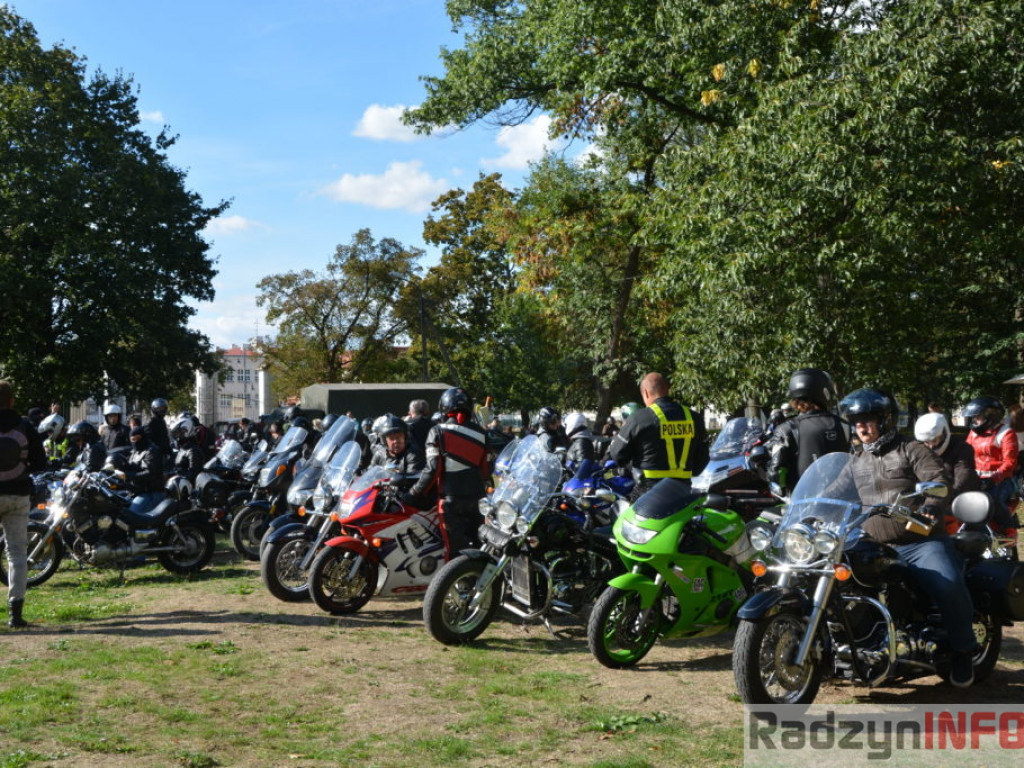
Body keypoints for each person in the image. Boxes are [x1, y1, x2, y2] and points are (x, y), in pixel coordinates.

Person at [839, 388, 977, 688]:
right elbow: (833, 492)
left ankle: (964, 651)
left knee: (947, 583)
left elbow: (937, 479)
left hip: (919, 541)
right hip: (873, 543)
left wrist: (930, 505)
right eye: (857, 421)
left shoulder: (911, 449)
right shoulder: (855, 461)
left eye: (869, 420)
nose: (862, 427)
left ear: (886, 420)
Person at [405, 387, 490, 553]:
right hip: (478, 500)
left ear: (443, 407)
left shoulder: (437, 431)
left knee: (455, 552)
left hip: (451, 501)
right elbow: (486, 471)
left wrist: (413, 494)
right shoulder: (482, 434)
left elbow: (432, 469)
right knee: (480, 548)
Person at [608, 372, 710, 495]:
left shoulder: (639, 418)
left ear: (645, 393)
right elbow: (702, 460)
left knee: (623, 513)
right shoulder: (694, 418)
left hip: (649, 492)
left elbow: (618, 454)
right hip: (683, 492)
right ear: (667, 389)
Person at [0, 381, 47, 628]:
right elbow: (40, 464)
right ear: (12, 400)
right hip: (18, 495)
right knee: (17, 553)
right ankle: (15, 613)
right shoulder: (26, 425)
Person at [766, 368, 849, 495]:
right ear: (824, 391)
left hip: (805, 505)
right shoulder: (844, 425)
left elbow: (775, 472)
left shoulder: (787, 428)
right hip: (845, 502)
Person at [914, 412, 981, 534]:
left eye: (934, 440)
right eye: (926, 442)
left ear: (944, 433)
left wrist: (947, 496)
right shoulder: (921, 451)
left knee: (969, 536)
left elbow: (964, 474)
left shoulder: (962, 448)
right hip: (933, 499)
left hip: (961, 497)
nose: (930, 445)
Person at [962, 396, 1019, 532]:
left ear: (991, 415)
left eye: (978, 417)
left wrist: (994, 479)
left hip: (1002, 480)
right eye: (973, 418)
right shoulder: (973, 433)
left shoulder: (1006, 433)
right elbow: (965, 454)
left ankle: (1008, 527)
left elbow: (1010, 463)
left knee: (990, 500)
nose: (974, 421)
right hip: (976, 478)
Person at [118, 426, 166, 515]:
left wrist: (127, 475)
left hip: (150, 492)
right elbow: (131, 466)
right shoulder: (134, 452)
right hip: (136, 491)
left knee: (130, 516)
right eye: (133, 439)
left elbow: (149, 473)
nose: (136, 441)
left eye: (138, 438)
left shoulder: (152, 451)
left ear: (143, 437)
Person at [169, 415, 208, 483]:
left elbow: (193, 474)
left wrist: (177, 476)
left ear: (186, 431)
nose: (177, 436)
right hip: (179, 486)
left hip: (188, 489)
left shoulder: (193, 450)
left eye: (179, 432)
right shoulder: (184, 448)